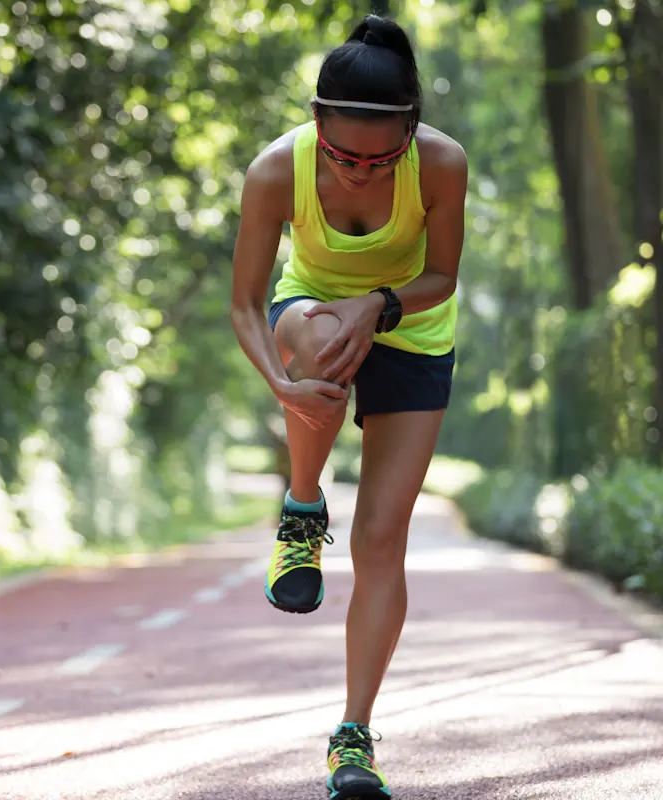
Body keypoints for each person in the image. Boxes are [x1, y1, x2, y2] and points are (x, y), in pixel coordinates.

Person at [228, 12, 467, 799]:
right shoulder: (273, 172)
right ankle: (301, 510)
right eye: (340, 154)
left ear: (411, 132)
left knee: (380, 536)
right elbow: (244, 304)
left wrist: (382, 303)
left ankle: (353, 737)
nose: (359, 172)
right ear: (316, 121)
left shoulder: (441, 165)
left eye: (379, 157)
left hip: (414, 326)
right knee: (323, 337)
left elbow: (443, 277)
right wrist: (281, 386)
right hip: (312, 312)